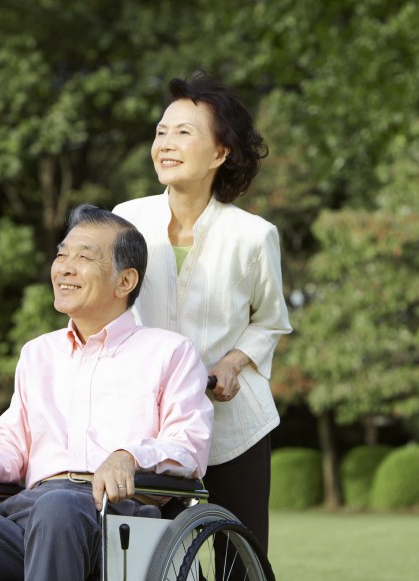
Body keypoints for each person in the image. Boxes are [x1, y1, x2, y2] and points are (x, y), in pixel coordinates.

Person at [0, 204, 214, 581]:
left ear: (125, 281)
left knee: (60, 506)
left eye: (83, 257)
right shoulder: (38, 353)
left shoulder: (170, 351)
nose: (64, 267)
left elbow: (188, 446)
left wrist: (128, 456)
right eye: (61, 254)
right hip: (26, 519)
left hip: (116, 522)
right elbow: (11, 447)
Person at [114, 73, 292, 557]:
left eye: (184, 132)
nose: (166, 144)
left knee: (242, 560)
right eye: (161, 132)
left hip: (234, 426)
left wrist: (233, 363)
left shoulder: (254, 236)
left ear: (221, 153)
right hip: (150, 430)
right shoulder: (125, 220)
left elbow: (271, 320)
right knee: (148, 557)